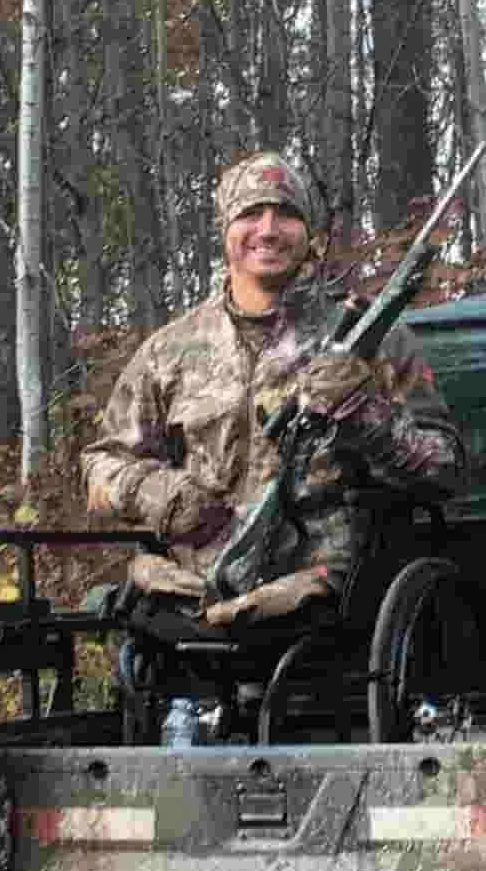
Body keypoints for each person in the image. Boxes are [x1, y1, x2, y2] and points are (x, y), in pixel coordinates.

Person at [82, 152, 465, 632]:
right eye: (250, 213)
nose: (268, 229)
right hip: (189, 594)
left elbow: (445, 471)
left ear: (309, 234)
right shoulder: (169, 351)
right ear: (225, 231)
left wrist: (364, 418)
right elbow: (101, 467)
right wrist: (160, 494)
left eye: (286, 214)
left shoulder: (375, 340)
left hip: (324, 598)